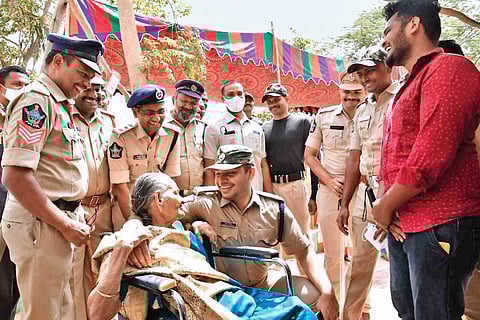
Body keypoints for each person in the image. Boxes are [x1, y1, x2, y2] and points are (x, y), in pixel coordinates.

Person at [88, 172, 317, 320]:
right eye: (176, 193)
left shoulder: (178, 225)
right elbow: (97, 313)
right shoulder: (136, 241)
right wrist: (123, 246)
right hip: (203, 307)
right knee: (295, 313)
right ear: (158, 200)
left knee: (296, 307)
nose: (183, 199)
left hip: (226, 294)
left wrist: (196, 229)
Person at [375, 1, 480, 319]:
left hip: (440, 222)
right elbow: (392, 155)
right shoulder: (407, 85)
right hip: (403, 223)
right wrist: (388, 205)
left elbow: (430, 155)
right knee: (408, 311)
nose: (384, 40)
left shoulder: (450, 69)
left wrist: (384, 206)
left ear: (413, 25)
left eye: (388, 30)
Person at [1, 33, 103, 320]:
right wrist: (63, 223)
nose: (86, 83)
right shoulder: (36, 101)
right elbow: (16, 176)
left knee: (59, 309)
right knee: (43, 313)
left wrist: (73, 214)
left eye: (91, 76)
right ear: (58, 61)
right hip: (42, 224)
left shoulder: (60, 104)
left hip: (55, 221)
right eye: (82, 73)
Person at [180, 144, 339, 320]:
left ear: (251, 173)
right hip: (224, 290)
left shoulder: (274, 209)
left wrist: (327, 292)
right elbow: (165, 214)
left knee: (314, 296)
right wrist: (192, 226)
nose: (221, 180)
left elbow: (303, 250)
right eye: (218, 174)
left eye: (230, 173)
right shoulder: (206, 204)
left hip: (264, 285)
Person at [339, 45, 399, 320]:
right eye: (360, 73)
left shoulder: (404, 98)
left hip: (400, 194)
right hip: (366, 195)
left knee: (406, 269)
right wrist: (344, 204)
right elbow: (354, 158)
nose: (364, 78)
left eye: (370, 70)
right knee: (359, 267)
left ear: (388, 66)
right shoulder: (364, 108)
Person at [304, 71, 367, 315]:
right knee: (333, 255)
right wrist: (328, 180)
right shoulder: (323, 116)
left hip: (363, 190)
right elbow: (309, 155)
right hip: (331, 191)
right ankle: (336, 309)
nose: (351, 96)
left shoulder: (372, 114)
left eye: (356, 92)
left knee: (363, 255)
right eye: (346, 92)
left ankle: (362, 309)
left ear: (364, 91)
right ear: (339, 91)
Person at [71, 75, 116, 320]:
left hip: (106, 211)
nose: (94, 94)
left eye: (98, 89)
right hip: (75, 209)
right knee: (75, 278)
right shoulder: (63, 118)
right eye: (87, 88)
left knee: (105, 273)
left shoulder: (110, 122)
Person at [107, 85, 181, 231]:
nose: (156, 118)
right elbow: (120, 187)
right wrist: (134, 222)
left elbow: (171, 180)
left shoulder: (173, 135)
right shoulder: (121, 137)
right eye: (149, 113)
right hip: (127, 211)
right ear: (136, 112)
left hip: (160, 214)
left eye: (161, 112)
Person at [262, 83, 314, 235]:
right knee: (278, 233)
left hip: (296, 186)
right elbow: (263, 162)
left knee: (301, 233)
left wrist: (314, 195)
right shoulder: (263, 128)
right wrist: (268, 191)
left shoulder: (302, 122)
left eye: (276, 99)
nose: (273, 104)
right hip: (273, 187)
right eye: (269, 101)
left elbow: (314, 158)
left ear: (286, 99)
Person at [204, 81, 272, 192]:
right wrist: (210, 198)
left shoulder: (257, 128)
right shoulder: (214, 128)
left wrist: (270, 196)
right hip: (228, 196)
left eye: (239, 94)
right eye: (231, 95)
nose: (236, 98)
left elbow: (263, 164)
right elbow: (209, 167)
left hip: (256, 192)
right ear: (223, 99)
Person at [0, 65, 30, 320]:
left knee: (20, 275)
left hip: (20, 213)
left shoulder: (26, 122)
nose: (24, 91)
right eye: (18, 85)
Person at [163, 80, 206, 195]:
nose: (188, 106)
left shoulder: (203, 128)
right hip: (169, 195)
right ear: (174, 99)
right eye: (184, 101)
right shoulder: (162, 127)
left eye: (193, 103)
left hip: (198, 195)